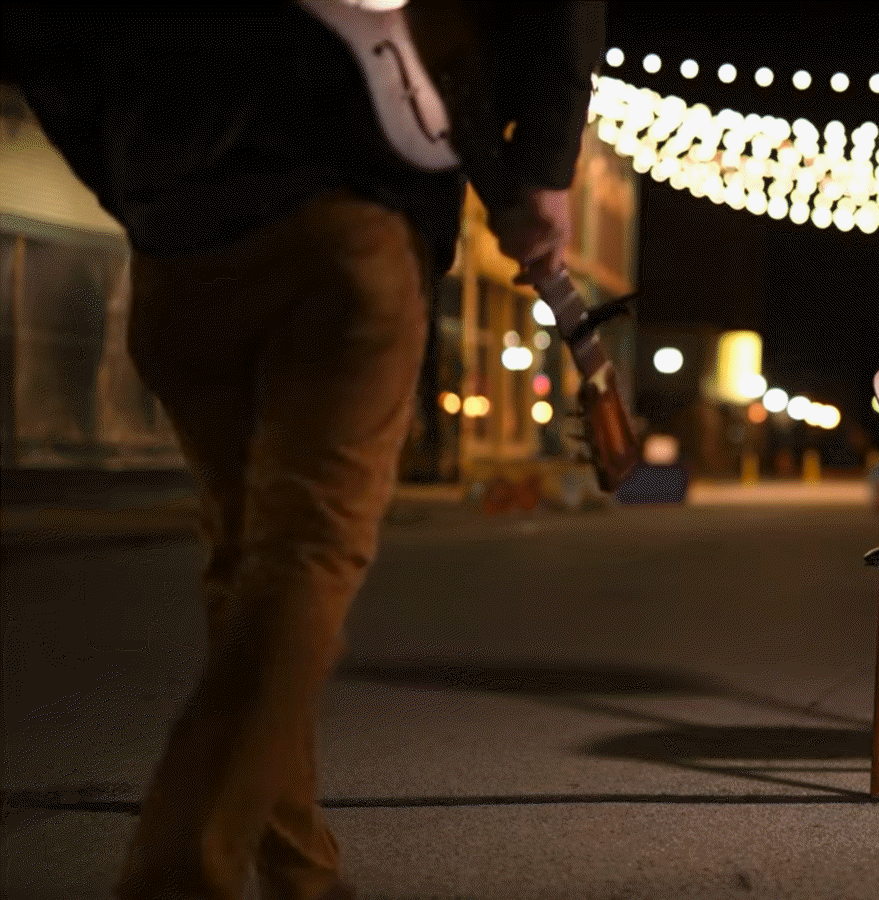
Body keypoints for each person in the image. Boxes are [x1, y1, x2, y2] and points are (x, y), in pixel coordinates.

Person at [2, 3, 605, 898]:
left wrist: (135, 178)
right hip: (345, 199)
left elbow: (38, 34)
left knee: (248, 562)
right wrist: (545, 167)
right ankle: (176, 876)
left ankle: (301, 873)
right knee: (305, 554)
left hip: (180, 234)